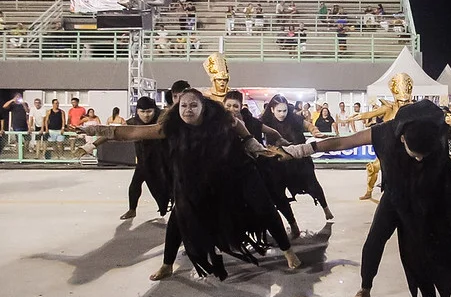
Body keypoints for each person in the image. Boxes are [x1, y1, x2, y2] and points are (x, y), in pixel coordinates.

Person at [276, 99, 451, 297]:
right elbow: (340, 142)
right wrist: (298, 151)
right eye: (415, 155)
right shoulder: (383, 132)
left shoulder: (433, 126)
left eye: (424, 155)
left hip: (437, 189)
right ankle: (365, 288)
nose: (419, 159)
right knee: (375, 239)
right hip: (398, 193)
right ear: (403, 138)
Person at [79, 89, 301, 281]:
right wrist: (96, 131)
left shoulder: (222, 119)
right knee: (180, 214)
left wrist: (254, 145)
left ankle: (288, 251)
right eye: (183, 105)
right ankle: (167, 264)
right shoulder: (170, 127)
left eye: (193, 105)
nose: (188, 109)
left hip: (235, 172)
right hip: (199, 177)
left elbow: (242, 129)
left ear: (202, 107)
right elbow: (132, 132)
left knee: (263, 207)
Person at [222, 91, 302, 239]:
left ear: (241, 106)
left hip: (259, 166)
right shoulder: (218, 123)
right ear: (223, 105)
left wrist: (281, 143)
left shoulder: (251, 121)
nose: (231, 109)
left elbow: (272, 132)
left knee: (276, 197)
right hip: (233, 170)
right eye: (228, 105)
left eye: (235, 106)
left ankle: (292, 225)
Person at [261, 94, 333, 220]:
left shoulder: (293, 118)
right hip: (279, 161)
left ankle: (326, 209)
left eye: (284, 110)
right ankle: (292, 223)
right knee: (278, 192)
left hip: (300, 160)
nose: (282, 114)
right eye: (279, 111)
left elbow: (309, 125)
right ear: (272, 109)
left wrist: (315, 131)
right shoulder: (265, 121)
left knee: (313, 185)